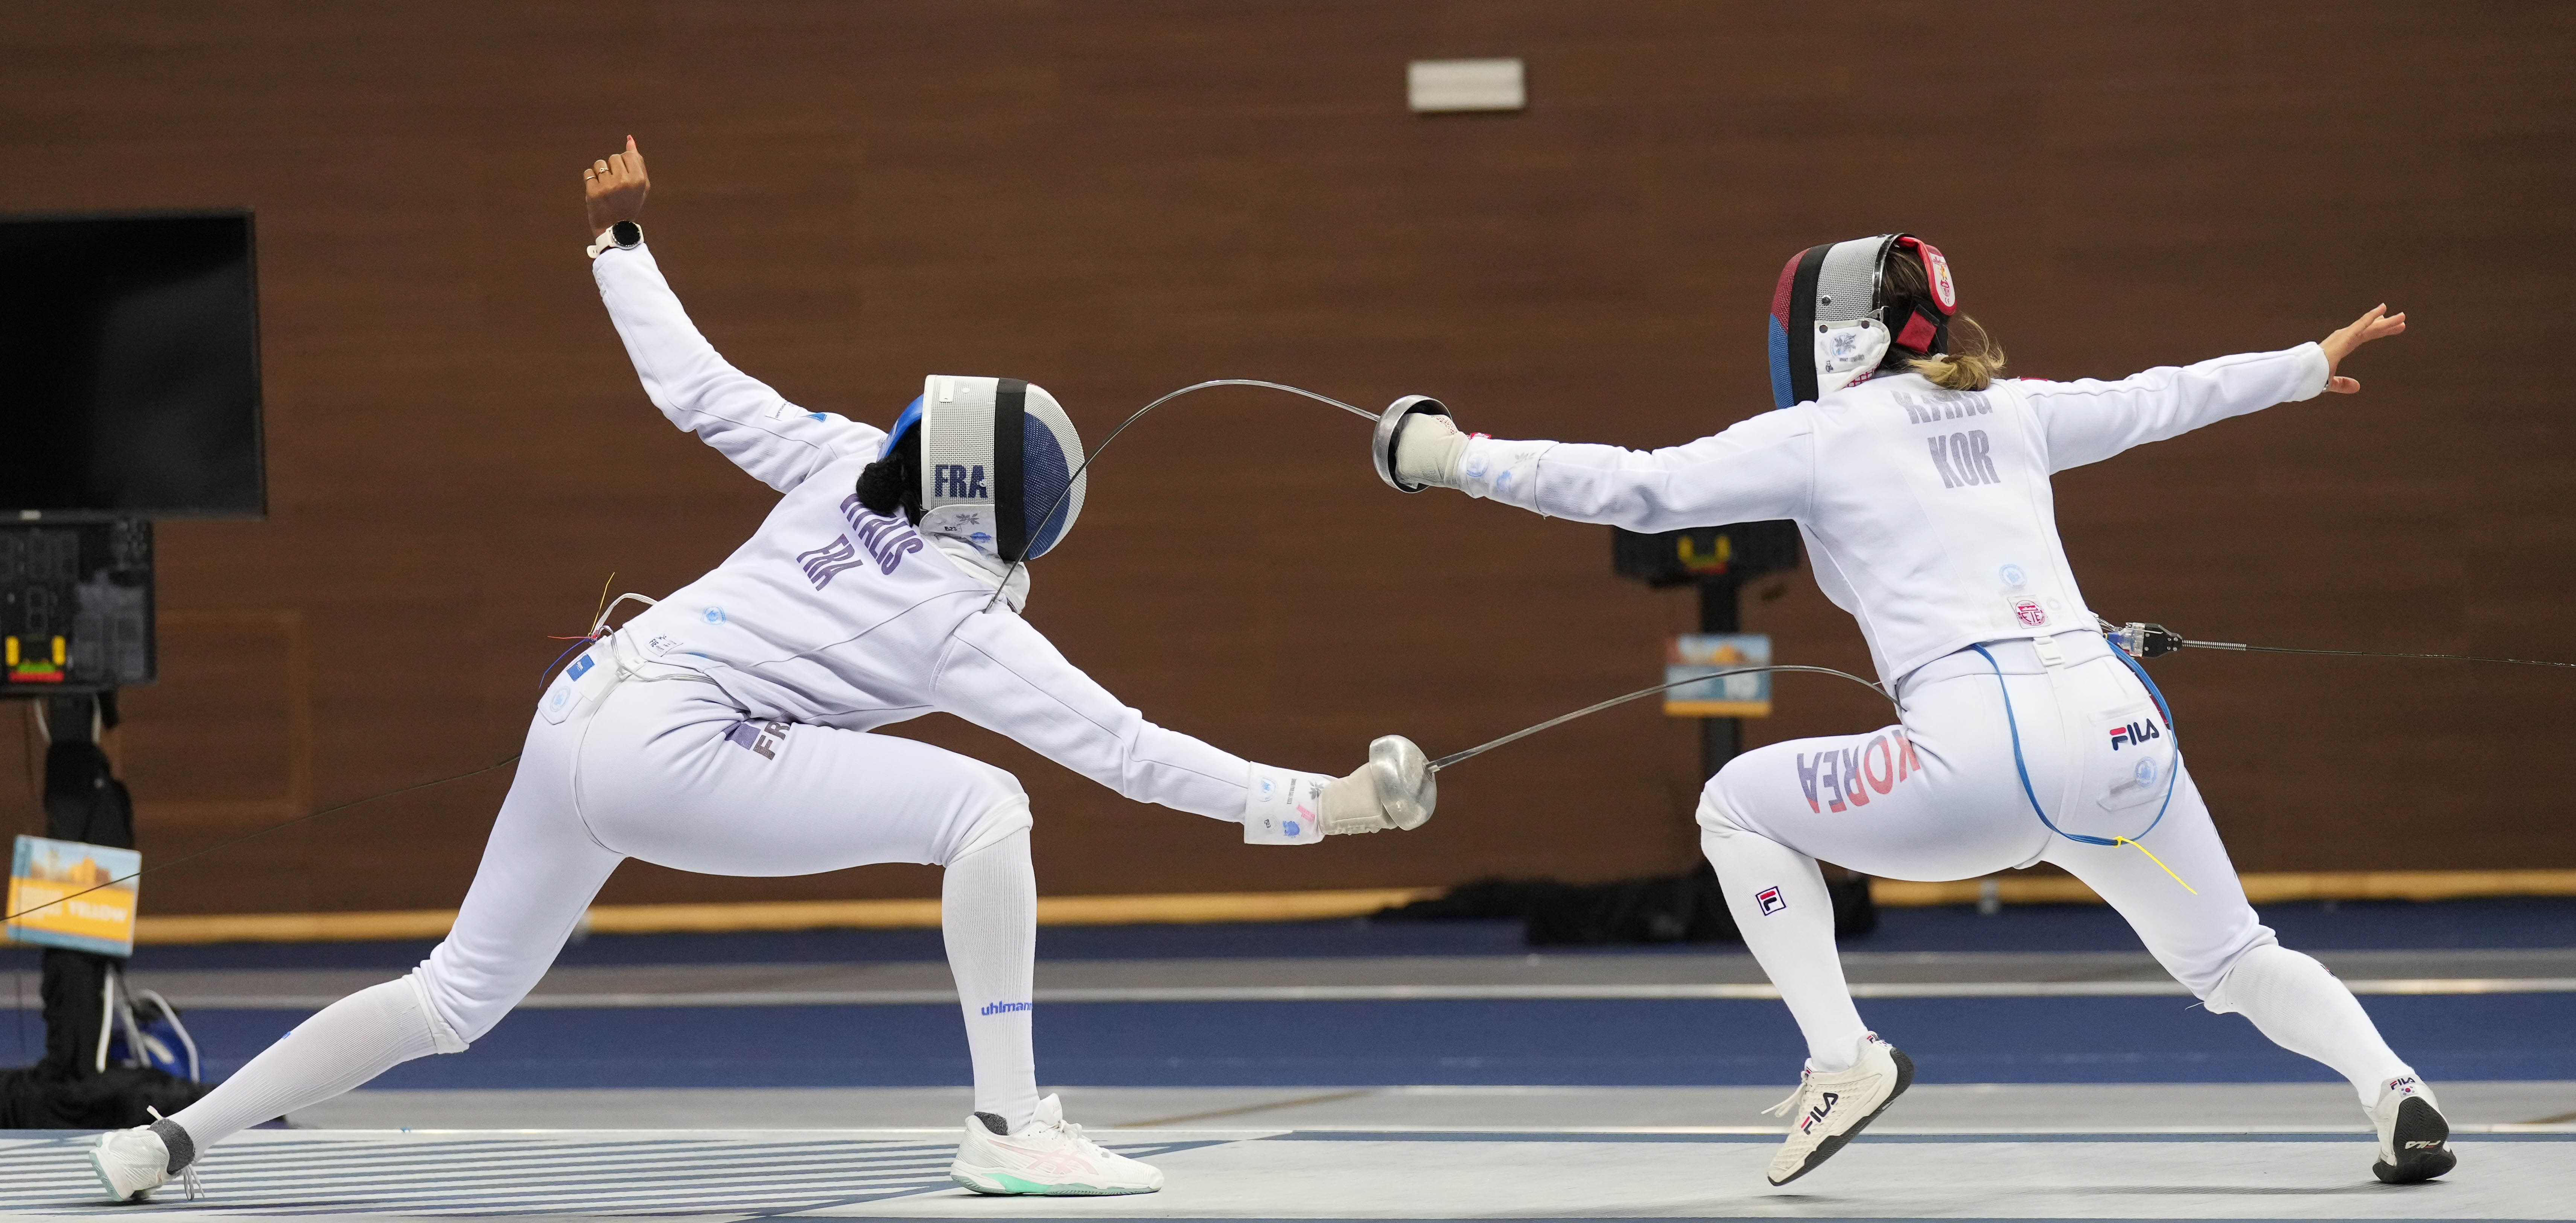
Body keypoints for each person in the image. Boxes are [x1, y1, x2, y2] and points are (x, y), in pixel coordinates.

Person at [89, 137, 1436, 1203]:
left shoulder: (846, 458)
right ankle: (1013, 1123)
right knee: (988, 807)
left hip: (581, 704)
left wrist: (621, 244)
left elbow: (695, 385)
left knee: (453, 992)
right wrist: (1327, 806)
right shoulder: (962, 616)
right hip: (674, 745)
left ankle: (173, 1139)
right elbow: (1131, 753)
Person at [1371, 233, 2444, 1187]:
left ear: (1832, 337)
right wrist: (2305, 367)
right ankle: (2394, 1089)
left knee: (1736, 810)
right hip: (2126, 738)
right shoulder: (2015, 408)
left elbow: (1642, 490)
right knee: (2233, 956)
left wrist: (1455, 460)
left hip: (1978, 761)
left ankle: (1844, 1059)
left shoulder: (1828, 436)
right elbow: (2160, 396)